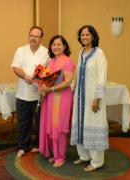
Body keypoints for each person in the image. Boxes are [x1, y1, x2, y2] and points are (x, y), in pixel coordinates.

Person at [70, 25, 109, 172]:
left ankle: (97, 161)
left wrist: (97, 98)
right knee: (81, 125)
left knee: (94, 124)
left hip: (93, 98)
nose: (84, 37)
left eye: (87, 34)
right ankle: (84, 155)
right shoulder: (81, 53)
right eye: (82, 35)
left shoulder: (99, 54)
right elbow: (78, 76)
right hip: (80, 99)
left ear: (93, 36)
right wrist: (73, 91)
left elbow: (102, 77)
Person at [11, 26, 49, 157]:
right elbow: (15, 67)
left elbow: (49, 73)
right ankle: (23, 146)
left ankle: (39, 145)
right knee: (23, 123)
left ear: (41, 38)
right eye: (31, 35)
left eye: (36, 36)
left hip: (39, 96)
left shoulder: (47, 52)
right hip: (22, 95)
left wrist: (38, 80)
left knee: (40, 123)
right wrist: (26, 77)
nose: (33, 38)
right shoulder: (21, 50)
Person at [38, 35, 75, 167]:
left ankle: (61, 156)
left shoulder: (68, 61)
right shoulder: (50, 62)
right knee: (51, 126)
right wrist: (41, 88)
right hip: (49, 98)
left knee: (59, 127)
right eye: (54, 44)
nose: (56, 47)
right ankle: (55, 153)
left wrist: (50, 89)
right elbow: (45, 81)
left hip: (62, 97)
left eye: (59, 44)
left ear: (64, 46)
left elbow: (68, 82)